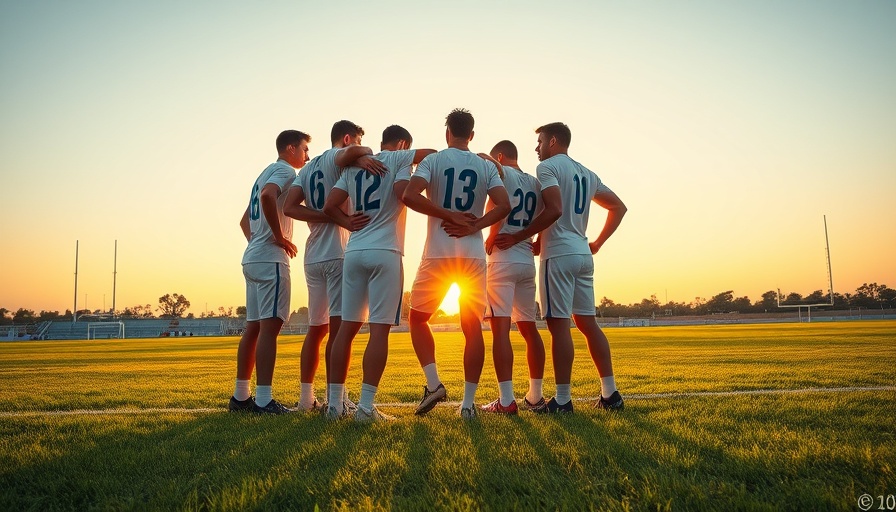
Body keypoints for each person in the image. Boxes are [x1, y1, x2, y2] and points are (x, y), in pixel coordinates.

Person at [494, 122, 627, 413]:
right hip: (582, 252)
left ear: (553, 141)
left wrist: (519, 236)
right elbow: (618, 207)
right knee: (588, 324)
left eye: (540, 141)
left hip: (559, 256)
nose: (536, 147)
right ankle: (610, 393)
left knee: (558, 325)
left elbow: (554, 208)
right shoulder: (587, 173)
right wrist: (598, 242)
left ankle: (563, 400)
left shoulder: (548, 168)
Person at [402, 108, 511, 419]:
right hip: (473, 255)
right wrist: (475, 226)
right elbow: (504, 205)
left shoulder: (433, 160)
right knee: (472, 328)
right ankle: (468, 405)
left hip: (438, 252)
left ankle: (434, 384)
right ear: (472, 135)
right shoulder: (483, 165)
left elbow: (409, 196)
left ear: (447, 133)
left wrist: (448, 215)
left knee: (418, 319)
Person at [323, 125, 436, 421]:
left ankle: (334, 406)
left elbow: (329, 205)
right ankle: (365, 407)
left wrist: (348, 223)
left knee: (345, 330)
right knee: (379, 331)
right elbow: (431, 155)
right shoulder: (398, 158)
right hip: (385, 251)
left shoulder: (354, 168)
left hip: (355, 251)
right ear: (401, 144)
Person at [284, 120, 386, 413]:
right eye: (354, 141)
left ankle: (306, 399)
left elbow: (290, 207)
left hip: (313, 254)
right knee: (341, 331)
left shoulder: (309, 167)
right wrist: (363, 152)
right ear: (346, 139)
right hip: (337, 252)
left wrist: (320, 216)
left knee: (316, 330)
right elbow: (347, 155)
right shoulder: (334, 157)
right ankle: (336, 400)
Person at [229, 129, 307, 414]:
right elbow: (267, 196)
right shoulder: (285, 171)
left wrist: (261, 242)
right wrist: (277, 237)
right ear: (290, 148)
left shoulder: (264, 171)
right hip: (270, 260)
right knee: (269, 330)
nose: (306, 155)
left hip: (252, 258)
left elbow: (243, 222)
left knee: (253, 328)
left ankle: (240, 397)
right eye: (304, 149)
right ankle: (263, 400)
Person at [480, 140, 546, 415]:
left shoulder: (501, 174)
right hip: (525, 259)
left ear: (499, 156)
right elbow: (548, 213)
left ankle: (506, 400)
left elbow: (500, 204)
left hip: (503, 260)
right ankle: (536, 395)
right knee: (529, 330)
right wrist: (538, 239)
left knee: (500, 331)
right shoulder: (535, 182)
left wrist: (493, 235)